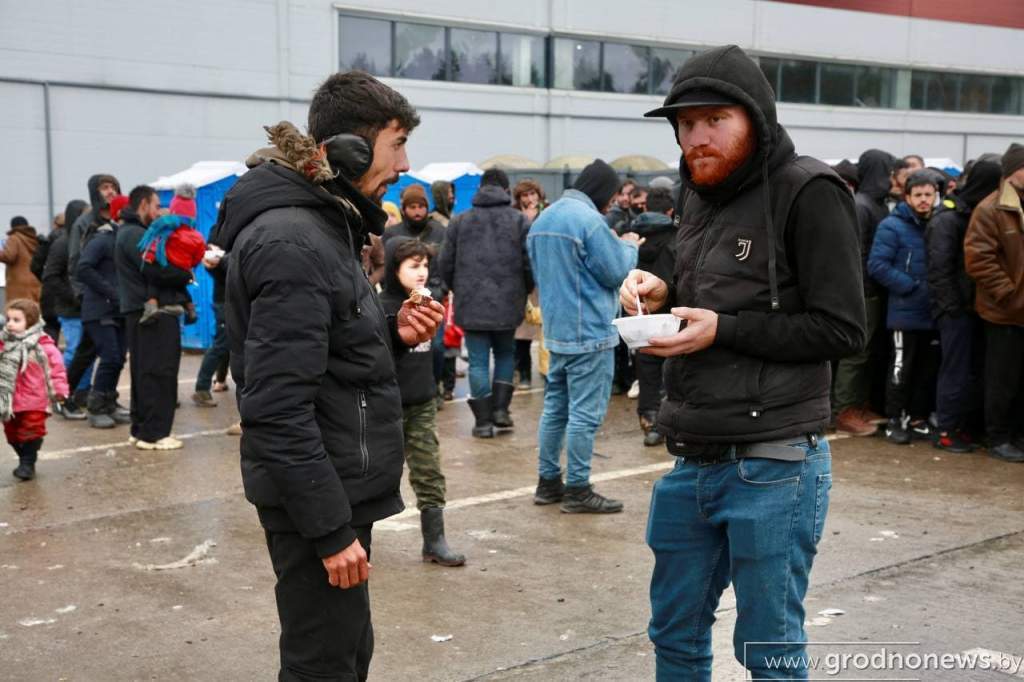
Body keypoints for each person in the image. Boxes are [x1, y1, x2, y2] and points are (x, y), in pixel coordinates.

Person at [623, 44, 865, 680]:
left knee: (768, 647)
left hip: (776, 461)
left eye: (714, 120)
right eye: (685, 123)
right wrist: (661, 288)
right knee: (672, 631)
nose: (696, 137)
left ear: (756, 117)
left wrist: (722, 331)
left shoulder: (810, 191)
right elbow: (709, 285)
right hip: (691, 452)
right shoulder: (698, 191)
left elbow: (843, 329)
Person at [221, 71, 441, 681]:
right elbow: (276, 408)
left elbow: (325, 359)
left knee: (345, 654)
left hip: (336, 486)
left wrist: (391, 334)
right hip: (316, 501)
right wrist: (328, 530)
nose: (404, 163)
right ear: (346, 150)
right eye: (396, 144)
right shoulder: (293, 240)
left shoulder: (324, 227)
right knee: (324, 666)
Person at [528, 158, 640, 513]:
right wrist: (630, 245)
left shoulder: (543, 219)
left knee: (555, 408)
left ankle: (548, 483)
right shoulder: (590, 221)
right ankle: (578, 488)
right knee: (584, 415)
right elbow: (616, 271)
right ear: (603, 192)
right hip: (590, 332)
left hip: (557, 330)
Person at [380, 237, 465, 566]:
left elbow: (435, 352)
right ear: (393, 269)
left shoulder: (430, 302)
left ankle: (434, 540)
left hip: (422, 403)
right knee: (373, 475)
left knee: (429, 471)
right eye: (413, 266)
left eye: (425, 265)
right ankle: (359, 540)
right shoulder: (382, 307)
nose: (422, 272)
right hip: (387, 407)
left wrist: (435, 387)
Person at [438, 168, 533, 438]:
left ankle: (482, 423)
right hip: (509, 300)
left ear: (481, 187)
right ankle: (501, 410)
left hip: (470, 301)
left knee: (478, 362)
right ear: (506, 189)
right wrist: (525, 290)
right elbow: (529, 263)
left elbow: (445, 261)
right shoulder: (518, 220)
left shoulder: (460, 221)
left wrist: (455, 288)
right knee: (505, 353)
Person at [926, 158, 1001, 453]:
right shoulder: (948, 218)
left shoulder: (968, 213)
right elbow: (939, 269)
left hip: (968, 308)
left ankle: (957, 426)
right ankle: (945, 429)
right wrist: (953, 308)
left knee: (967, 371)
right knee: (954, 370)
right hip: (954, 311)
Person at [115, 186, 194, 450]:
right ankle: (155, 434)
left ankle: (140, 430)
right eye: (156, 205)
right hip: (153, 313)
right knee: (160, 372)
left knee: (143, 372)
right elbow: (158, 270)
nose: (160, 210)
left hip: (138, 312)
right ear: (143, 205)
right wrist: (186, 274)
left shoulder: (127, 232)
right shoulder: (138, 235)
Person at [869, 171, 942, 445]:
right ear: (908, 197)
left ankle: (917, 418)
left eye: (929, 194)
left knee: (926, 370)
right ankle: (894, 420)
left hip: (932, 313)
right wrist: (911, 286)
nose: (924, 200)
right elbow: (877, 266)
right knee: (900, 369)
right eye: (919, 195)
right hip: (904, 314)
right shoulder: (892, 226)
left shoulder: (936, 223)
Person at [965, 143, 1024, 463]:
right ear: (1015, 173)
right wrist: (1011, 295)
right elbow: (979, 260)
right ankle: (998, 437)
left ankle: (1016, 435)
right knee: (1002, 380)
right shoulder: (990, 209)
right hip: (1004, 313)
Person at [833, 149, 895, 436]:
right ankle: (843, 410)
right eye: (889, 170)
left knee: (868, 352)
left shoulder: (876, 204)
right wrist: (858, 289)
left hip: (873, 289)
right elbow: (853, 254)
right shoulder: (862, 205)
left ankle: (858, 404)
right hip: (861, 290)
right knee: (855, 353)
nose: (893, 176)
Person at [383, 184, 449, 404]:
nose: (417, 211)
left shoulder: (438, 231)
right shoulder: (392, 233)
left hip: (430, 299)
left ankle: (435, 386)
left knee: (435, 348)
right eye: (412, 206)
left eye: (421, 206)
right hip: (397, 301)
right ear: (404, 209)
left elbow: (442, 268)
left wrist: (435, 293)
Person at [75, 189, 128, 430]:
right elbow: (83, 268)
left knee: (117, 359)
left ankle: (109, 402)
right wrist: (111, 292)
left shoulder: (122, 238)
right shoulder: (101, 239)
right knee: (109, 357)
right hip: (99, 310)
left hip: (118, 310)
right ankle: (95, 407)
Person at [629, 186, 676, 447]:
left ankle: (649, 421)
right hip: (671, 314)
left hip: (640, 313)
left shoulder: (632, 234)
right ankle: (666, 422)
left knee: (646, 370)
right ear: (670, 210)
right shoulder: (677, 237)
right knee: (672, 370)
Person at [0, 299, 68, 481]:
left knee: (32, 428)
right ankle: (24, 457)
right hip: (10, 400)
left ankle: (27, 463)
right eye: (9, 319)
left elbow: (57, 369)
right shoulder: (3, 343)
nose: (10, 324)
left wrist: (60, 390)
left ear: (30, 321)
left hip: (35, 399)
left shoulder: (43, 345)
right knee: (12, 432)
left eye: (16, 320)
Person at [42, 199, 89, 420]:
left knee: (88, 352)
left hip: (88, 307)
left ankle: (82, 393)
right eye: (84, 214)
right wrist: (73, 297)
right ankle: (62, 396)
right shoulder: (62, 243)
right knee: (74, 351)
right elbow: (50, 276)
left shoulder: (86, 239)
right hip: (71, 310)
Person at [512, 180, 547, 390]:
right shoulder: (514, 216)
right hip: (522, 277)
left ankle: (546, 370)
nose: (529, 199)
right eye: (524, 195)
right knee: (522, 329)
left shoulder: (548, 212)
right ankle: (523, 372)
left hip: (544, 276)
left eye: (532, 194)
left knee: (545, 326)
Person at [1, 217, 42, 303]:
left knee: (19, 309)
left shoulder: (14, 238)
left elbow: (9, 256)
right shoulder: (35, 239)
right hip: (35, 280)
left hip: (18, 284)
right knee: (33, 310)